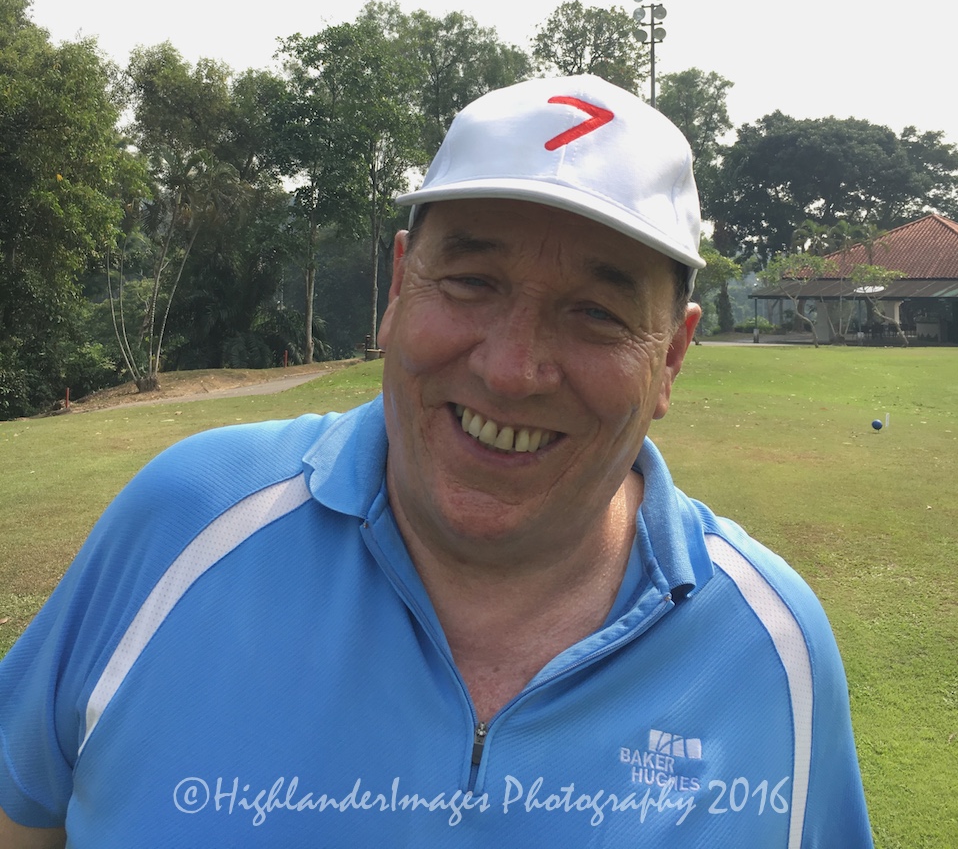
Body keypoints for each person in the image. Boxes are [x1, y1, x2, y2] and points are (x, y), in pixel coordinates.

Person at [0, 75, 873, 847]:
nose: (511, 370)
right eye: (472, 282)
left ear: (671, 357)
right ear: (399, 284)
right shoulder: (186, 523)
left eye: (597, 313)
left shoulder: (770, 649)